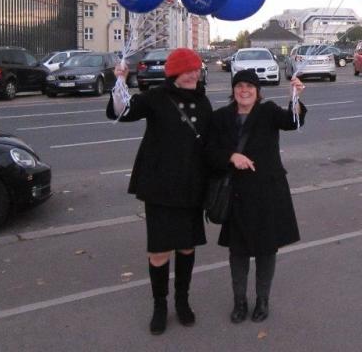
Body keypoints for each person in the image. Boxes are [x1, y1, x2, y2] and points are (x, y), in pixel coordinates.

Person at [107, 48, 254, 335]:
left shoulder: (203, 103)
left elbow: (212, 143)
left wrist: (231, 157)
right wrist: (120, 82)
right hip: (160, 188)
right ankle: (160, 306)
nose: (193, 75)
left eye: (196, 70)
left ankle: (182, 302)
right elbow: (123, 111)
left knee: (186, 247)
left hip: (191, 187)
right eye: (187, 70)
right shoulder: (156, 98)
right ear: (174, 72)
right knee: (160, 250)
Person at [208, 69, 306, 324]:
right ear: (233, 90)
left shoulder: (268, 111)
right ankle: (239, 301)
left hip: (267, 192)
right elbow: (208, 150)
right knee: (238, 252)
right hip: (236, 195)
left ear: (258, 91)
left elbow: (293, 123)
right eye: (239, 86)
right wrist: (232, 156)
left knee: (266, 250)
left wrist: (294, 98)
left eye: (250, 86)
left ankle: (262, 300)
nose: (244, 90)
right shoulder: (220, 117)